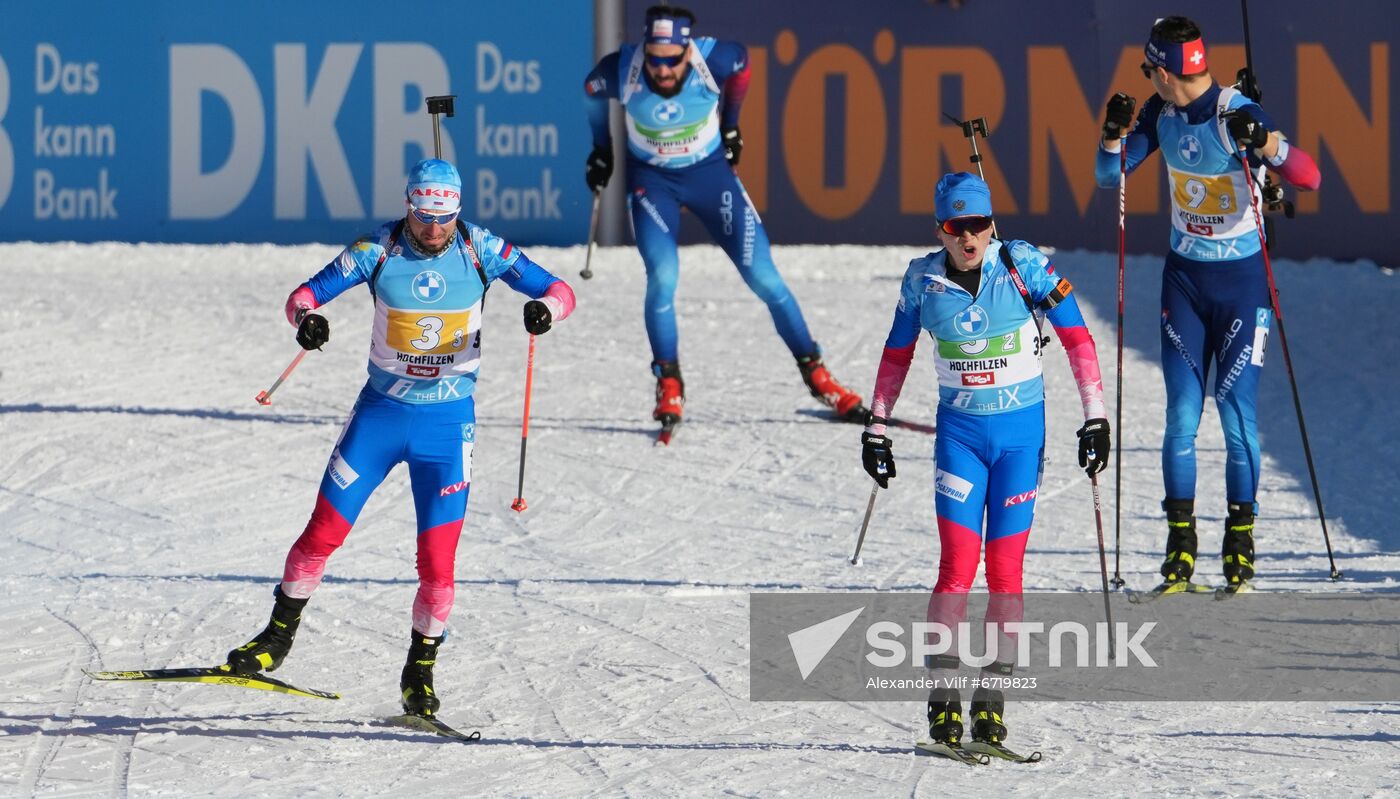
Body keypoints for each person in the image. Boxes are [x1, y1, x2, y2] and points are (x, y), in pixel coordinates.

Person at [223, 159, 576, 719]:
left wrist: (544, 310)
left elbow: (559, 289)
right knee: (322, 532)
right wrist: (307, 320)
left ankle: (420, 672)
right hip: (381, 417)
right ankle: (275, 640)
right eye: (423, 216)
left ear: (457, 211)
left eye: (444, 218)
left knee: (438, 564)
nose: (433, 229)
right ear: (408, 205)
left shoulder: (482, 248)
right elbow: (303, 295)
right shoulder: (377, 249)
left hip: (445, 426)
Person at [860, 173, 1110, 751]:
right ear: (940, 230)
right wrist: (877, 425)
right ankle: (943, 697)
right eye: (955, 226)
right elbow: (896, 354)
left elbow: (1077, 339)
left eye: (977, 225)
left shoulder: (1025, 268)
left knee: (1004, 571)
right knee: (957, 564)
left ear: (991, 225)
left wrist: (1095, 416)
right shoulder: (923, 280)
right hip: (962, 440)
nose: (968, 237)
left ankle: (992, 702)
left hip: (1022, 441)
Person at [1095, 16, 1320, 593]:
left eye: (1151, 70)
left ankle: (1240, 540)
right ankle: (1181, 543)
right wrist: (1112, 135)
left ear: (1168, 71)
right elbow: (1108, 176)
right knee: (1179, 420)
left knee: (1237, 419)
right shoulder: (1159, 112)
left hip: (1243, 288)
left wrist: (1266, 141)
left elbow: (1309, 177)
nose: (1148, 79)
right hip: (1185, 286)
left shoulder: (1233, 111)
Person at [582, 4, 865, 432]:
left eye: (670, 61)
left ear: (686, 50)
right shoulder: (622, 68)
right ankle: (669, 381)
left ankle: (817, 374)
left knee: (766, 278)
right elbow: (591, 90)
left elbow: (744, 67)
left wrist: (731, 125)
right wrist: (602, 148)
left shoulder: (714, 59)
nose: (661, 71)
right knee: (662, 278)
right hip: (653, 183)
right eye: (654, 59)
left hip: (710, 177)